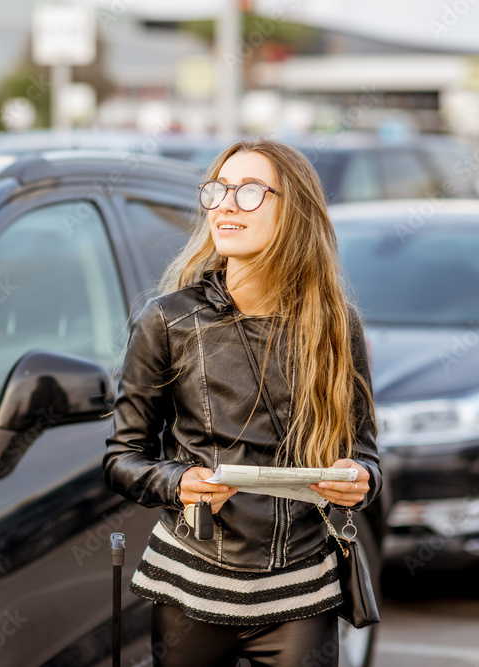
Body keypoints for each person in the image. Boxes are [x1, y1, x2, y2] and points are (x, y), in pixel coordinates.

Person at [102, 138, 381, 667]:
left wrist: (358, 480)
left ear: (292, 210)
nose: (225, 204)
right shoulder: (167, 320)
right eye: (218, 189)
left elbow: (365, 457)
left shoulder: (336, 324)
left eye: (250, 191)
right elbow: (122, 460)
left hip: (303, 590)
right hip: (191, 585)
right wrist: (179, 482)